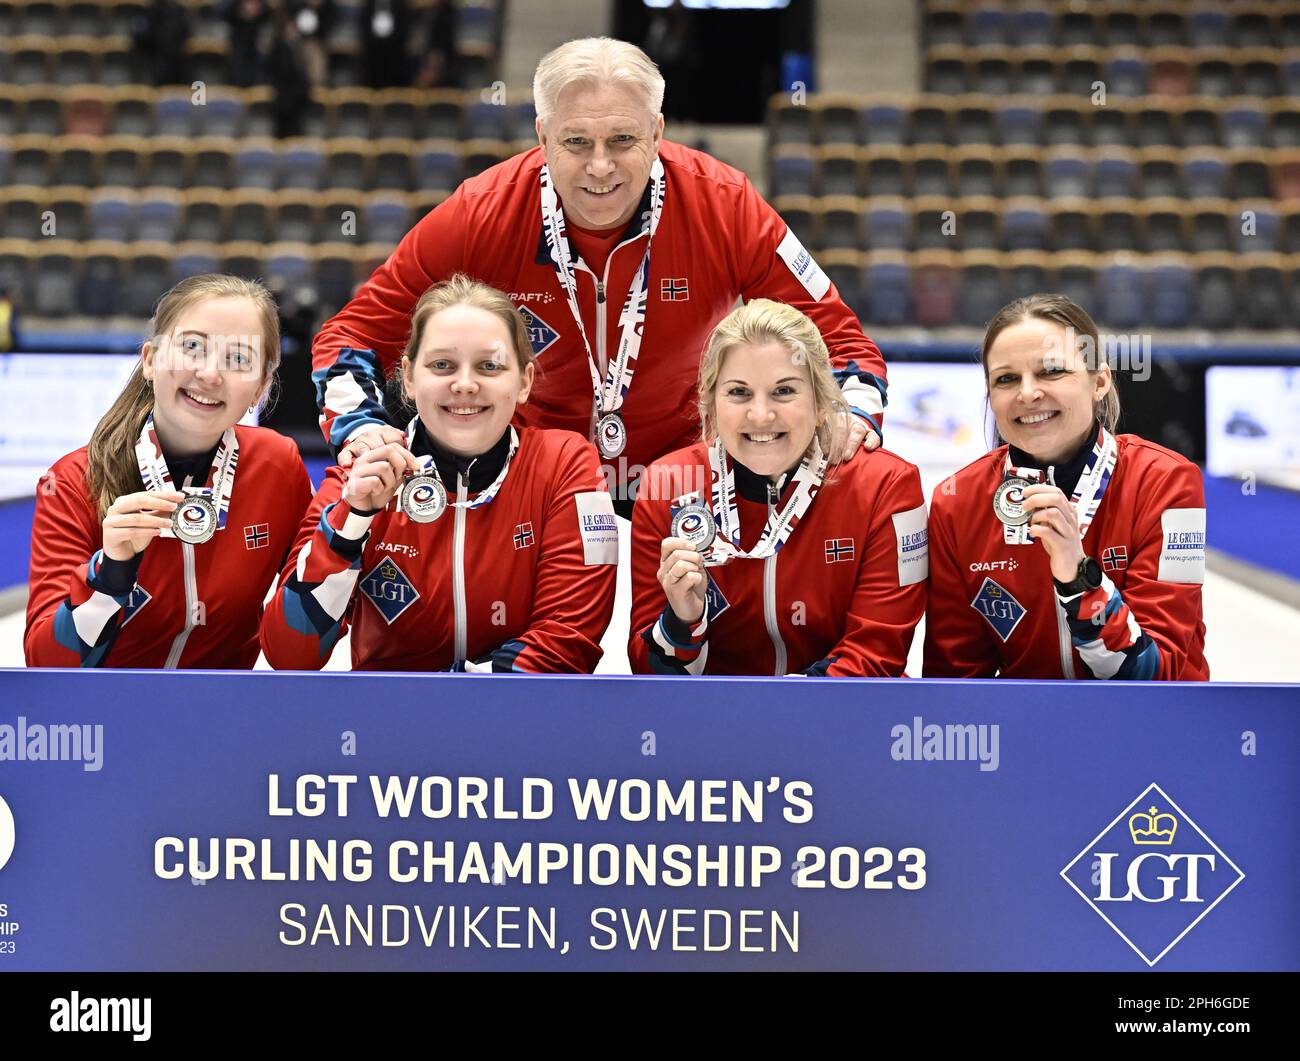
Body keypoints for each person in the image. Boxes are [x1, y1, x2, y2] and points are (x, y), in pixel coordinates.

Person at [311, 37, 888, 513]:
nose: (600, 167)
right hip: (530, 482)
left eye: (623, 140)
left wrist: (854, 418)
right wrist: (363, 428)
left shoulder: (726, 204)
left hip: (685, 482)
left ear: (658, 133)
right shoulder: (478, 212)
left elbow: (841, 341)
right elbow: (350, 336)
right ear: (542, 137)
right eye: (576, 142)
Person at [262, 276, 617, 672]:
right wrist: (352, 521)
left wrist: (445, 702)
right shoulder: (357, 475)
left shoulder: (566, 463)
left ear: (524, 382)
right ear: (410, 378)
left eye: (489, 365)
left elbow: (570, 638)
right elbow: (290, 655)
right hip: (387, 728)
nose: (464, 385)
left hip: (519, 722)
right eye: (442, 364)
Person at [25, 276, 312, 669]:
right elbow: (46, 665)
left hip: (226, 720)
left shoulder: (279, 467)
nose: (211, 375)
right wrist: (109, 574)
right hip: (106, 724)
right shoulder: (74, 481)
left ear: (260, 387)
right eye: (193, 347)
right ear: (150, 360)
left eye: (239, 359)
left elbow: (302, 651)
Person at [628, 300, 926, 676]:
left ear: (821, 402)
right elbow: (648, 676)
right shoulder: (667, 484)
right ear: (711, 405)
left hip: (846, 727)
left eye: (784, 391)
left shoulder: (887, 487)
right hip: (712, 726)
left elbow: (878, 654)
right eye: (738, 393)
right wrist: (682, 621)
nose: (761, 415)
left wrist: (774, 722)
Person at [924, 294, 1208, 680]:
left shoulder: (1166, 483)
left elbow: (1158, 675)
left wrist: (1078, 577)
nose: (1027, 393)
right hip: (1025, 734)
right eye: (1006, 379)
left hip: (1148, 733)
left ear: (1100, 381)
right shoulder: (956, 503)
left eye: (1051, 371)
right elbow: (956, 680)